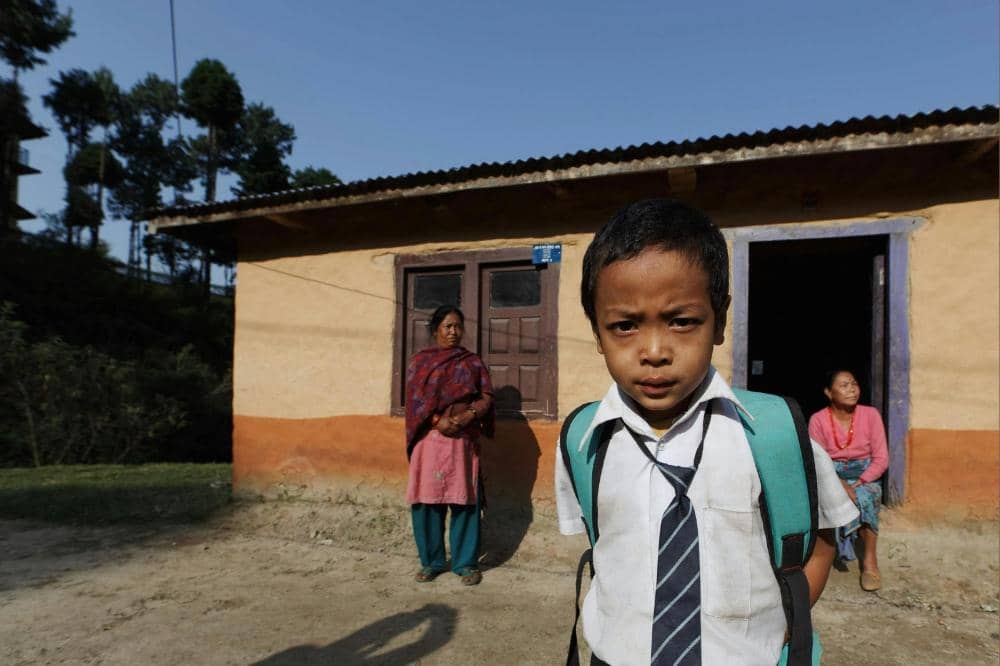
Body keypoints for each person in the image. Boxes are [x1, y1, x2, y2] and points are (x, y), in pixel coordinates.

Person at [554, 199, 859, 665]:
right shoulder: (583, 440)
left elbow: (820, 541)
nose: (654, 351)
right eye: (624, 326)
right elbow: (606, 548)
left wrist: (785, 626)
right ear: (597, 332)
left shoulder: (774, 433)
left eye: (681, 321)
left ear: (719, 318)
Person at [405, 305, 495, 586]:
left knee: (464, 500)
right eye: (447, 326)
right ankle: (431, 562)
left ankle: (465, 563)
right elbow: (414, 401)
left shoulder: (472, 363)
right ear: (435, 331)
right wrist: (436, 420)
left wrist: (468, 415)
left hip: (462, 442)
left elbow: (486, 396)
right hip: (430, 441)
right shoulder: (420, 362)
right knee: (427, 502)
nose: (454, 332)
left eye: (458, 326)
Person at [808, 370, 888, 592]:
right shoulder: (818, 420)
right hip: (830, 475)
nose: (852, 388)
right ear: (828, 392)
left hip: (864, 477)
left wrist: (858, 484)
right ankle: (824, 557)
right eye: (844, 385)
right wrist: (840, 485)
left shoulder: (871, 415)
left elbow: (881, 459)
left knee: (869, 496)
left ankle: (870, 562)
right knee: (824, 497)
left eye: (854, 383)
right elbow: (817, 460)